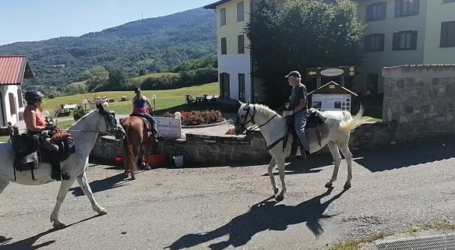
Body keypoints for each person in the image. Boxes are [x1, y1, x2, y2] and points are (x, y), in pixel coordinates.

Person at [23, 90, 65, 180]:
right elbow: (32, 128)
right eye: (39, 100)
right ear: (32, 101)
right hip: (35, 136)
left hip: (41, 132)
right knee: (55, 149)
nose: (41, 102)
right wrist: (46, 128)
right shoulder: (31, 112)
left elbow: (41, 123)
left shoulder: (35, 109)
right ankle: (56, 173)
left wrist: (49, 125)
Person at [282, 71, 310, 160]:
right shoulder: (294, 88)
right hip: (294, 111)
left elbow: (302, 103)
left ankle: (306, 150)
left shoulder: (301, 88)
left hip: (301, 113)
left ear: (295, 79)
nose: (288, 81)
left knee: (299, 129)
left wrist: (292, 112)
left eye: (289, 79)